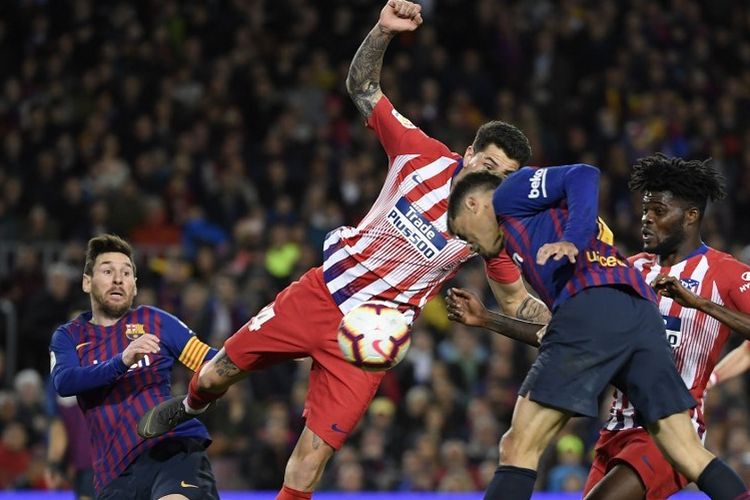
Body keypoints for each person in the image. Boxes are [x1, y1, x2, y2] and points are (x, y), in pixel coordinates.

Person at [136, 2, 548, 499]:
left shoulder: (494, 229)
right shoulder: (419, 154)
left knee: (311, 462)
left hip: (370, 341)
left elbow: (516, 302)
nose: (491, 176)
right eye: (487, 162)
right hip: (322, 294)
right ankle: (193, 407)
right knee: (214, 374)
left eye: (504, 174)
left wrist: (574, 309)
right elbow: (362, 88)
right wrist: (382, 31)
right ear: (469, 153)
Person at [446, 154, 750, 499]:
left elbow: (582, 174)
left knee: (518, 445)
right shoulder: (630, 270)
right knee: (689, 454)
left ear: (691, 216)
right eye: (644, 212)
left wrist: (701, 304)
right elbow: (566, 335)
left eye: (659, 212)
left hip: (657, 424)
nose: (647, 220)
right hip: (618, 422)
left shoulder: (723, 271)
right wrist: (489, 319)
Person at [49, 234, 219, 499]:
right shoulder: (69, 335)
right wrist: (122, 361)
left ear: (135, 286)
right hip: (113, 475)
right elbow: (64, 382)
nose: (118, 279)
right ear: (86, 282)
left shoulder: (155, 320)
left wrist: (270, 349)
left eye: (126, 273)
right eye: (107, 271)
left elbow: (209, 359)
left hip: (172, 450)